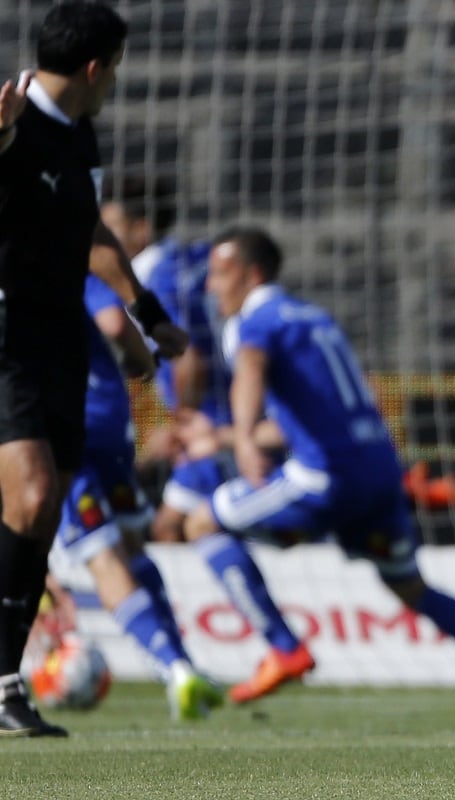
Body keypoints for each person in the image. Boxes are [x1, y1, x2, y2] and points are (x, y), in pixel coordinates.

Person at [182, 226, 455, 707]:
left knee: (201, 523)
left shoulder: (253, 322)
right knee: (410, 586)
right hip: (377, 476)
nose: (211, 286)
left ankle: (283, 647)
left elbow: (249, 368)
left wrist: (245, 438)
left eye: (220, 273)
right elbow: (311, 420)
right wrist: (228, 438)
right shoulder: (315, 319)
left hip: (324, 480)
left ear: (251, 275)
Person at [0, 1, 188, 737]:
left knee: (42, 510)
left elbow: (90, 229)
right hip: (6, 329)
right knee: (34, 489)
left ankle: (7, 685)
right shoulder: (12, 115)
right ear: (97, 66)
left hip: (59, 336)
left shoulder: (80, 132)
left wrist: (146, 308)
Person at [49, 274, 223, 720]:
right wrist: (142, 357)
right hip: (110, 423)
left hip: (61, 424)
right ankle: (185, 665)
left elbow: (110, 322)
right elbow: (113, 322)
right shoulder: (74, 264)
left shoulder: (30, 269)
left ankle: (175, 670)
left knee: (102, 557)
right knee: (132, 547)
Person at [100, 174, 231, 544]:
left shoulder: (152, 283)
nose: (99, 241)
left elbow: (189, 360)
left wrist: (179, 425)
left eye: (109, 230)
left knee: (169, 529)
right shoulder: (192, 259)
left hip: (212, 421)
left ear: (141, 231)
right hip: (240, 410)